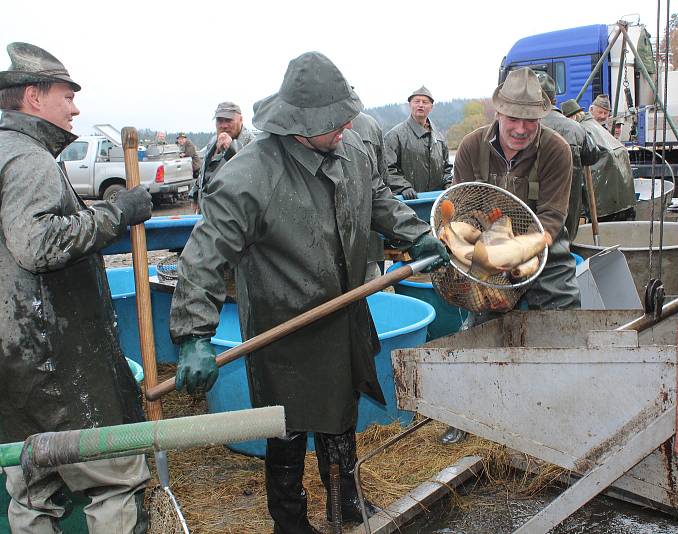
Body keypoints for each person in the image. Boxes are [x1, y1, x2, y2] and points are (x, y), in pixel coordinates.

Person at [168, 51, 448, 533]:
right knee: (288, 424)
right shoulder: (251, 174)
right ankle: (290, 519)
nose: (345, 127)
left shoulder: (352, 148)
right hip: (285, 327)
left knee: (342, 411)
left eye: (345, 118)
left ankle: (347, 502)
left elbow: (377, 195)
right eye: (334, 122)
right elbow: (204, 254)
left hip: (343, 311)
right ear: (299, 123)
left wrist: (414, 232)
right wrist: (194, 334)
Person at [0, 42, 152, 533]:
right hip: (57, 367)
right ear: (33, 97)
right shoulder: (28, 160)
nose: (76, 107)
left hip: (13, 368)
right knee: (114, 479)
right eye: (67, 95)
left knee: (32, 493)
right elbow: (37, 244)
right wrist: (117, 213)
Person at [441, 67, 580, 446]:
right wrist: (475, 243)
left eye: (530, 120)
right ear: (498, 113)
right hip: (488, 247)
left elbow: (552, 218)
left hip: (542, 248)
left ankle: (562, 409)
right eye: (514, 118)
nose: (521, 128)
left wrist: (522, 256)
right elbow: (464, 204)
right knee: (479, 328)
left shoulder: (556, 150)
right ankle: (467, 414)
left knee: (562, 321)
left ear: (541, 118)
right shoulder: (471, 147)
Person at [535, 72, 602, 240]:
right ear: (555, 99)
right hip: (568, 212)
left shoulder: (520, 129)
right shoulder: (576, 128)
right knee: (564, 248)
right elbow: (594, 155)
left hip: (533, 215)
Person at [562, 98, 636, 221]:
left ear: (570, 118)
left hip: (604, 204)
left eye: (605, 113)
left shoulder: (581, 128)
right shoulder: (592, 124)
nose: (602, 116)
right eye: (600, 112)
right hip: (624, 199)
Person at [384, 86, 452, 199]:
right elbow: (387, 169)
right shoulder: (394, 136)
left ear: (431, 107)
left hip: (436, 201)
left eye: (425, 102)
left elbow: (447, 169)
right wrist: (404, 187)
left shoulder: (439, 138)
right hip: (407, 203)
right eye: (417, 101)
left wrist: (448, 184)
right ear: (410, 105)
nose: (420, 105)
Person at [191, 101, 254, 212]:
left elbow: (252, 175)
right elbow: (204, 171)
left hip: (233, 213)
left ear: (241, 120)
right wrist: (195, 194)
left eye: (229, 120)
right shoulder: (213, 140)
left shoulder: (252, 143)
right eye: (219, 120)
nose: (223, 125)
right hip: (208, 210)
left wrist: (232, 148)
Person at [351, 111, 389, 281]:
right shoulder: (373, 124)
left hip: (367, 229)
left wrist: (416, 233)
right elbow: (384, 175)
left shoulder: (371, 124)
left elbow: (379, 185)